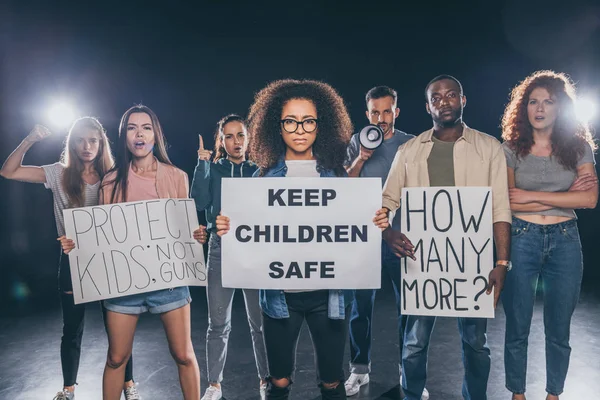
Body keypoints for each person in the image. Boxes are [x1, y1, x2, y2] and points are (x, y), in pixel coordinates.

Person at [215, 79, 387, 399]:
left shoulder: (335, 175)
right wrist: (229, 227)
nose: (299, 129)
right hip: (280, 297)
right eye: (290, 121)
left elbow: (352, 225)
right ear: (276, 127)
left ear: (320, 125)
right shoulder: (263, 177)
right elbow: (247, 231)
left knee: (332, 382)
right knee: (278, 382)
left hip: (329, 296)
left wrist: (374, 219)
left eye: (308, 121)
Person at [60, 105, 207, 400]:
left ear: (156, 136)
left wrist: (197, 235)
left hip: (169, 281)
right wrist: (76, 243)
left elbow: (183, 229)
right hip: (123, 287)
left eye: (146, 127)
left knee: (183, 355)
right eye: (131, 128)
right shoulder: (111, 182)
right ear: (124, 136)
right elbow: (102, 237)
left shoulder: (177, 176)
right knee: (116, 359)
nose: (139, 134)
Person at [380, 75, 512, 400]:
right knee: (413, 344)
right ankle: (410, 395)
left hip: (473, 263)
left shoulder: (489, 148)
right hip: (422, 264)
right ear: (428, 107)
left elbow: (499, 208)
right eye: (436, 98)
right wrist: (387, 233)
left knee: (476, 345)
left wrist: (502, 262)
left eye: (451, 95)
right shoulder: (409, 151)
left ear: (463, 100)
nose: (444, 101)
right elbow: (386, 202)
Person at [0, 118, 141, 400]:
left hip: (109, 262)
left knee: (118, 328)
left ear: (101, 144)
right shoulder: (57, 173)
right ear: (72, 143)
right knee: (72, 329)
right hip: (72, 261)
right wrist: (30, 139)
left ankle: (129, 385)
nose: (86, 146)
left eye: (93, 140)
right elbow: (8, 172)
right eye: (80, 140)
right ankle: (68, 390)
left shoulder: (114, 175)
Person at [500, 70, 598, 400]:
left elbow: (589, 199)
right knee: (517, 326)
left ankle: (553, 395)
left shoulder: (578, 148)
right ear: (523, 108)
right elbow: (508, 199)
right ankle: (518, 394)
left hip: (565, 240)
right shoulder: (510, 149)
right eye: (532, 102)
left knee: (559, 329)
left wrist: (532, 196)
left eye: (548, 102)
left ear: (560, 108)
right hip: (522, 237)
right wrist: (563, 192)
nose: (539, 108)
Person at [343, 86, 426, 398]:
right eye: (375, 112)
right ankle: (359, 370)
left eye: (387, 111)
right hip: (364, 238)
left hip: (399, 238)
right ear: (367, 115)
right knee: (359, 308)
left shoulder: (410, 143)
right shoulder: (356, 142)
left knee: (408, 306)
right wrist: (362, 158)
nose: (381, 118)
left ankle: (409, 372)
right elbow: (345, 185)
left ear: (396, 111)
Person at [191, 114, 267, 400]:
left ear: (248, 139)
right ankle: (214, 385)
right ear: (221, 141)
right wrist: (201, 164)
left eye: (241, 136)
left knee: (259, 323)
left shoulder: (258, 170)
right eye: (230, 136)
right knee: (218, 323)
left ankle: (265, 379)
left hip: (253, 250)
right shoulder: (212, 168)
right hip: (220, 249)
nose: (236, 142)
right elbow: (199, 202)